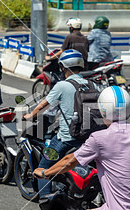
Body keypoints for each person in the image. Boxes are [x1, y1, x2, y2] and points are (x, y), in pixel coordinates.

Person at [24, 50, 90, 197]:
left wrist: (30, 115)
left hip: (66, 139)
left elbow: (43, 105)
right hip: (88, 138)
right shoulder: (91, 84)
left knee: (43, 168)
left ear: (64, 67)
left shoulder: (62, 86)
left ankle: (44, 208)